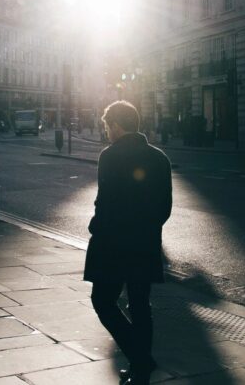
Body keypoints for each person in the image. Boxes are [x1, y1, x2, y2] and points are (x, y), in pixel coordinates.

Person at [84, 101, 172, 385]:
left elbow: (105, 202)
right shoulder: (160, 158)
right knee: (140, 305)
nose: (106, 132)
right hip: (145, 244)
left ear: (117, 126)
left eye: (107, 126)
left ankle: (140, 359)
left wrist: (96, 227)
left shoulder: (110, 156)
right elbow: (165, 208)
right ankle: (141, 367)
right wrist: (146, 228)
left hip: (113, 245)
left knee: (103, 302)